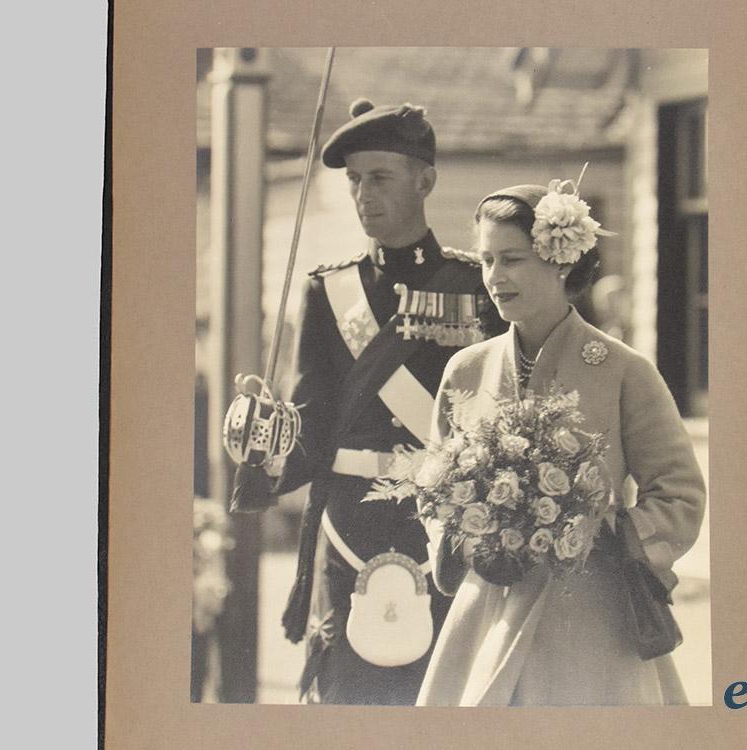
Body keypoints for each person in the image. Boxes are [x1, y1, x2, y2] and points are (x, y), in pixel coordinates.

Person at [230, 98, 504, 704]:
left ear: (425, 181)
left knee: (443, 698)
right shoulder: (330, 292)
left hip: (445, 528)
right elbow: (310, 424)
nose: (363, 196)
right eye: (354, 181)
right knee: (346, 700)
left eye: (379, 178)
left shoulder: (475, 289)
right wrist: (265, 447)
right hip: (349, 523)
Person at [416, 181, 706, 706]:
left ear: (561, 262)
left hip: (591, 618)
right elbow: (432, 489)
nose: (494, 278)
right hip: (488, 610)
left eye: (512, 260)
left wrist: (600, 531)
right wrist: (470, 535)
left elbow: (681, 494)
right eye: (486, 260)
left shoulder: (623, 369)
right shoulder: (466, 370)